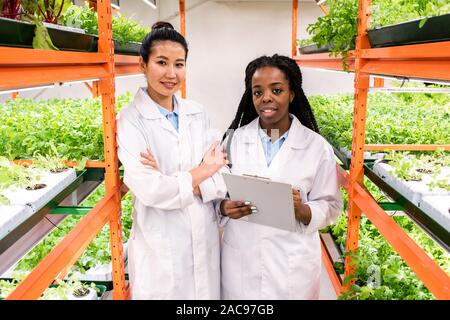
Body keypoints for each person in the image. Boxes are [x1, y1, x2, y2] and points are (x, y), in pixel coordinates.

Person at [116, 21, 228, 300]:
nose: (171, 73)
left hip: (204, 238)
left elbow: (221, 177)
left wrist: (172, 180)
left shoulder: (197, 113)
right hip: (160, 248)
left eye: (179, 64)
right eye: (161, 62)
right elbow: (150, 190)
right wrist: (203, 170)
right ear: (143, 64)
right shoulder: (131, 120)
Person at [219, 54, 342, 299]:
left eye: (277, 90)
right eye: (258, 92)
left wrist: (302, 210)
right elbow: (216, 195)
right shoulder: (232, 141)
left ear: (292, 94)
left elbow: (331, 205)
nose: (266, 98)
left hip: (292, 263)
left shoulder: (316, 147)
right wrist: (224, 207)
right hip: (242, 259)